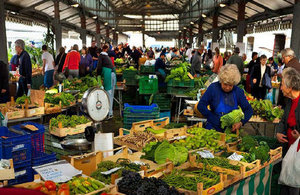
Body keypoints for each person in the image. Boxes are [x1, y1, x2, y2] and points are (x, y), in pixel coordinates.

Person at [196, 64, 253, 132]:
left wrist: (241, 123)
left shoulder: (238, 92)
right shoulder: (213, 88)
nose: (227, 88)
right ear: (221, 80)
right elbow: (201, 105)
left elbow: (248, 110)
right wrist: (211, 116)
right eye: (225, 84)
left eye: (230, 85)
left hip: (231, 129)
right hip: (213, 127)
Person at [275, 67, 300, 195]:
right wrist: (278, 132)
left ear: (290, 87)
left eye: (282, 85)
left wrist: (299, 138)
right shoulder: (289, 101)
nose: (280, 88)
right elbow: (283, 120)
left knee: (295, 186)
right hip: (288, 148)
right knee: (285, 184)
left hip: (298, 154)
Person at [97, 45, 116, 119]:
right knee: (110, 94)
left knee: (108, 94)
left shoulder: (101, 56)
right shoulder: (106, 56)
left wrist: (98, 75)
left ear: (98, 53)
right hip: (112, 74)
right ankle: (110, 112)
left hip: (109, 76)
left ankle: (109, 113)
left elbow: (99, 68)